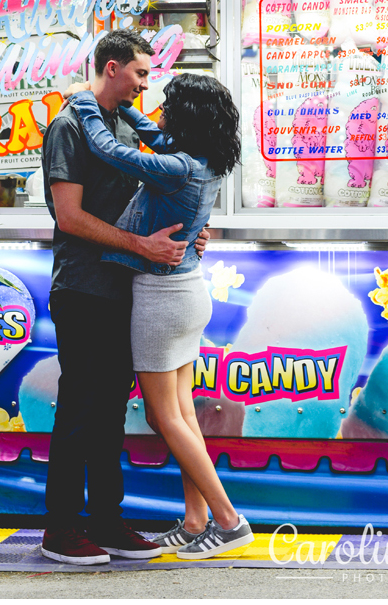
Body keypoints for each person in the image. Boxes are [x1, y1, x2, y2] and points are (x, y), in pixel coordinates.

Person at [68, 73, 253, 561]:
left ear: (186, 117)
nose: (159, 111)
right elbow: (151, 135)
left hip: (161, 297)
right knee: (182, 413)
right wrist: (126, 109)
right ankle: (196, 523)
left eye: (167, 104)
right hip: (186, 294)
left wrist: (89, 106)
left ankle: (229, 520)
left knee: (163, 415)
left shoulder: (176, 168)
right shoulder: (202, 160)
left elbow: (115, 152)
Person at [40, 29, 204, 566]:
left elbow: (148, 192)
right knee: (80, 410)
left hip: (121, 289)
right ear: (112, 68)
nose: (144, 83)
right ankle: (61, 530)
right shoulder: (69, 125)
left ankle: (106, 522)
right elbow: (68, 217)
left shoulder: (116, 123)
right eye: (138, 73)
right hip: (83, 288)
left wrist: (185, 233)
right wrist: (142, 245)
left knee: (110, 410)